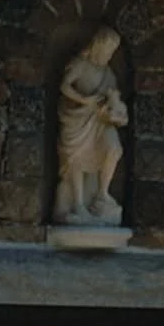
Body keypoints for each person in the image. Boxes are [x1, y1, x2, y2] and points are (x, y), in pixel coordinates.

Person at [52, 28, 128, 225]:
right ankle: (78, 204)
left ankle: (102, 194)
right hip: (77, 119)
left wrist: (114, 112)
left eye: (112, 51)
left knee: (114, 149)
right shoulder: (81, 64)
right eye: (107, 49)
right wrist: (84, 100)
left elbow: (113, 98)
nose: (109, 55)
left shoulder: (108, 73)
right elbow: (65, 86)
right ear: (97, 46)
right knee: (75, 157)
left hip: (101, 121)